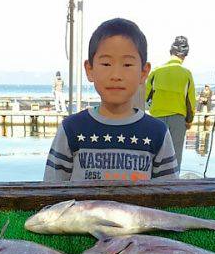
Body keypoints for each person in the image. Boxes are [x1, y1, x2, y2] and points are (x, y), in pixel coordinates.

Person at [44, 18, 178, 183]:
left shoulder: (157, 133)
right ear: (89, 69)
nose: (116, 75)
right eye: (106, 64)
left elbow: (169, 197)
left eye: (127, 65)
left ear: (144, 72)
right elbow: (50, 192)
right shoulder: (71, 129)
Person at [145, 35, 196, 168]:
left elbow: (144, 96)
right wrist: (189, 121)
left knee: (153, 153)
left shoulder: (156, 71)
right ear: (184, 55)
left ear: (170, 53)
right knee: (175, 156)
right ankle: (174, 184)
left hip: (156, 119)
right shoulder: (186, 73)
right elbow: (191, 102)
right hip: (178, 119)